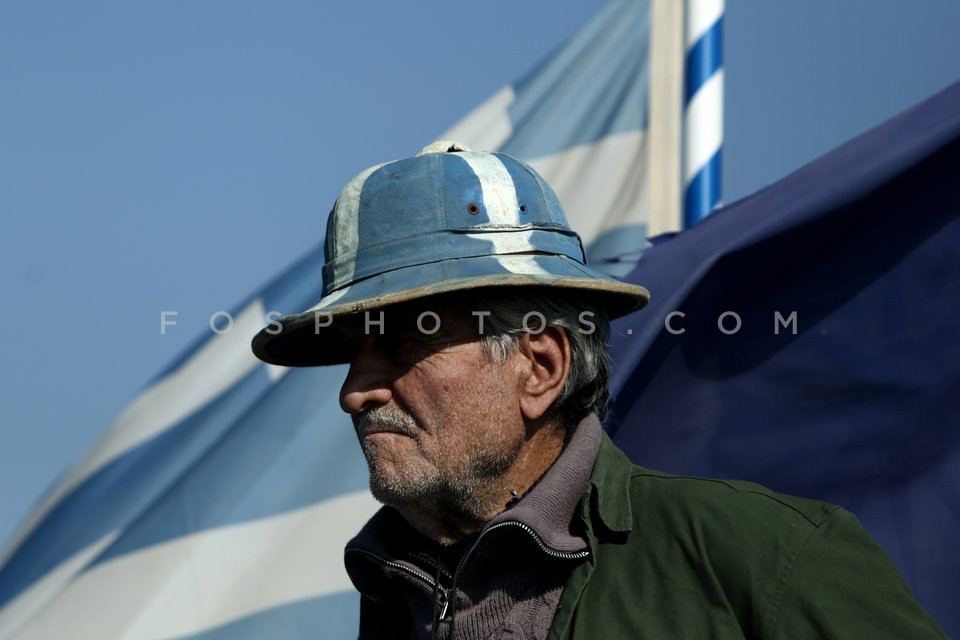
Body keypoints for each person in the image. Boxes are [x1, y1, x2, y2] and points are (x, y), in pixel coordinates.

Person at [251, 142, 946, 639]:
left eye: (402, 346)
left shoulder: (766, 560)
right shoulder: (393, 599)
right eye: (353, 357)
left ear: (540, 367)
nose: (355, 393)